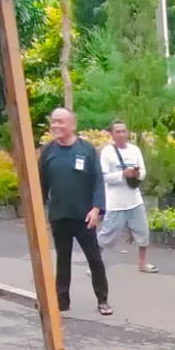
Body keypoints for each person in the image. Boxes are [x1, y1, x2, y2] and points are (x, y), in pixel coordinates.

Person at [39, 107, 111, 316]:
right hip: (59, 215)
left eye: (60, 121)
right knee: (63, 258)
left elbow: (98, 181)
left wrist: (96, 209)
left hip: (84, 216)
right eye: (53, 121)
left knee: (94, 258)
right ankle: (61, 300)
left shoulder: (86, 149)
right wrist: (39, 213)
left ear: (72, 125)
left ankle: (103, 300)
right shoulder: (48, 152)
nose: (55, 126)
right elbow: (40, 185)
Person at [99, 120, 157, 274]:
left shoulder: (135, 150)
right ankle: (95, 263)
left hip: (134, 199)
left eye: (124, 131)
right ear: (112, 134)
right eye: (117, 131)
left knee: (143, 232)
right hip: (115, 202)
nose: (121, 134)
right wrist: (122, 174)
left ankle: (142, 263)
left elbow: (143, 173)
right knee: (107, 235)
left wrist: (137, 174)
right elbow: (104, 177)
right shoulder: (107, 152)